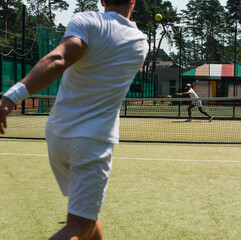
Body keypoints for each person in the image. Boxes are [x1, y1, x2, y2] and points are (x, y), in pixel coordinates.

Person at [0, 0, 148, 239]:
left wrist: (11, 96)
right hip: (92, 141)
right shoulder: (141, 43)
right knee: (79, 227)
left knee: (89, 215)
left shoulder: (86, 21)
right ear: (133, 1)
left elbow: (59, 59)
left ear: (102, 0)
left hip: (57, 136)